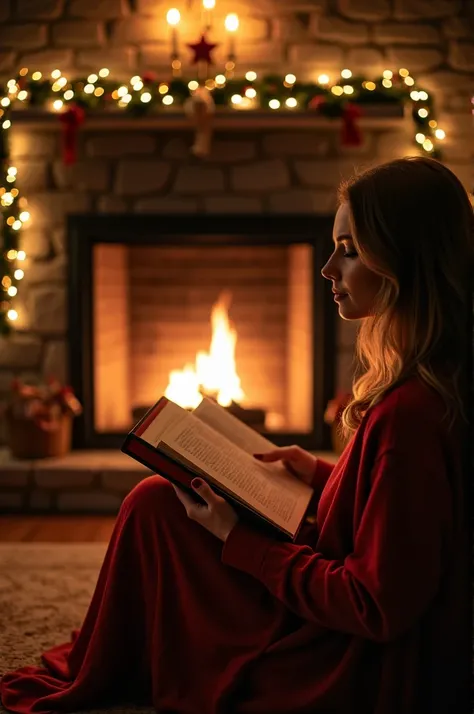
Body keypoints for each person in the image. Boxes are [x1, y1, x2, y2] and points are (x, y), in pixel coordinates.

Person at [1, 156, 472, 714]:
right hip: (351, 620)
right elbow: (395, 517)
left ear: (404, 262)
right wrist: (319, 476)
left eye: (349, 251)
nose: (327, 269)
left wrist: (240, 540)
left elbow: (375, 604)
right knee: (159, 503)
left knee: (159, 507)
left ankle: (122, 661)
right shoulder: (432, 385)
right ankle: (127, 655)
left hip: (354, 665)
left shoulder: (411, 414)